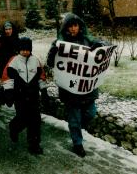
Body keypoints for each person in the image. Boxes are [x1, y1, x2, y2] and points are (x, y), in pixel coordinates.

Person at [46, 13, 108, 157]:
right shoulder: (60, 43)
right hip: (71, 89)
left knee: (90, 113)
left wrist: (101, 47)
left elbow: (102, 51)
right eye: (70, 26)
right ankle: (77, 143)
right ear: (66, 28)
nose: (73, 29)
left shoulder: (88, 40)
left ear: (80, 26)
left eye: (75, 25)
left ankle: (77, 129)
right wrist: (53, 53)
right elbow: (50, 63)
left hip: (87, 89)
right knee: (74, 119)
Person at [1, 37, 47, 155]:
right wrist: (8, 92)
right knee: (23, 117)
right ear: (19, 50)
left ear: (30, 50)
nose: (25, 52)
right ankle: (14, 128)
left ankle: (34, 144)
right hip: (19, 95)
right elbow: (7, 78)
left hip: (33, 95)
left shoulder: (35, 60)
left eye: (27, 49)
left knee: (35, 120)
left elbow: (41, 76)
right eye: (22, 49)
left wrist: (44, 91)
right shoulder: (14, 61)